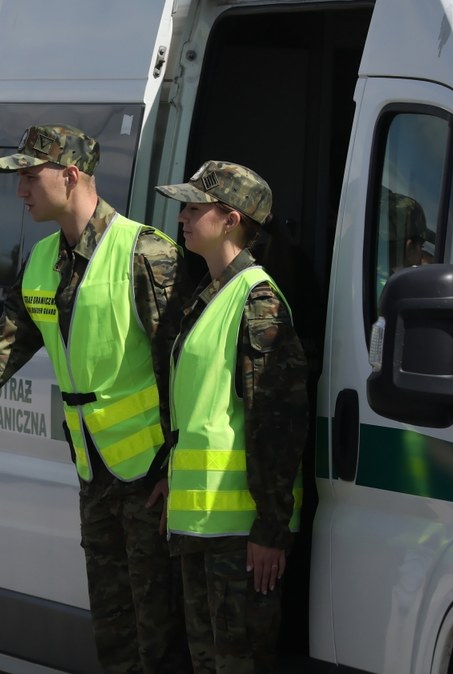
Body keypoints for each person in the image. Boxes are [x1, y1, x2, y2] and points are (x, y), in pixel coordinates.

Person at [0, 124, 191, 674]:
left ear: (70, 176)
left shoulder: (146, 254)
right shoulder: (44, 260)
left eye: (30, 177)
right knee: (115, 636)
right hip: (97, 474)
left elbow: (186, 369)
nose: (20, 191)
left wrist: (179, 466)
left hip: (152, 477)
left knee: (161, 639)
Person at [152, 160, 308, 673]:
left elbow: (276, 425)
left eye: (195, 208)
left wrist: (270, 529)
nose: (183, 217)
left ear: (231, 219)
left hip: (240, 536)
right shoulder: (212, 292)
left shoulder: (257, 299)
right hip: (201, 526)